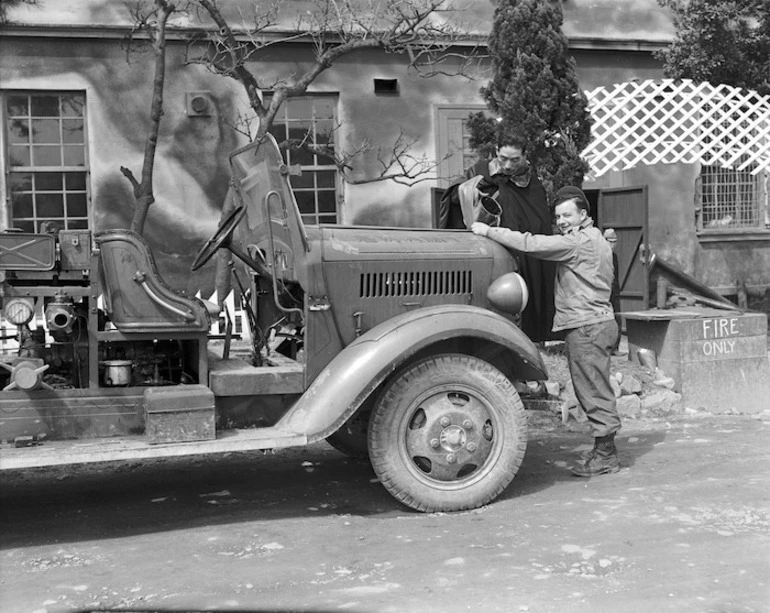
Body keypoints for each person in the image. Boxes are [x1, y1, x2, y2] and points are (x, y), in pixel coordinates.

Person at [471, 186, 621, 477]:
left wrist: (489, 232)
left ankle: (606, 454)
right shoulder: (598, 238)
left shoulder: (578, 243)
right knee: (593, 386)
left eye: (568, 215)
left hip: (587, 325)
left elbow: (531, 243)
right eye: (558, 216)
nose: (562, 221)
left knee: (592, 390)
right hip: (596, 322)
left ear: (583, 215)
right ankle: (604, 449)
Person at [438, 133, 556, 342]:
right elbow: (455, 198)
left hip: (525, 252)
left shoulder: (533, 181)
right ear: (495, 152)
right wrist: (473, 187)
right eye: (503, 158)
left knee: (528, 299)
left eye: (515, 159)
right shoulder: (480, 170)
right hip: (491, 252)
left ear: (525, 156)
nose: (508, 165)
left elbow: (539, 221)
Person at [603, 228, 624, 355]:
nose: (612, 244)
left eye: (614, 242)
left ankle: (615, 348)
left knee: (617, 319)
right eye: (610, 241)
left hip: (614, 292)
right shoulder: (599, 255)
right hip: (603, 293)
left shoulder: (614, 256)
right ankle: (605, 348)